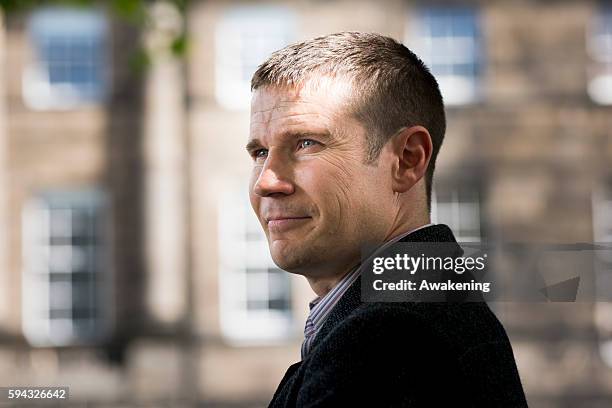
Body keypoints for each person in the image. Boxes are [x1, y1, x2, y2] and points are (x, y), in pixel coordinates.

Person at [246, 32, 528, 407]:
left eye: (306, 143)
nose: (267, 181)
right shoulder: (422, 313)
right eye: (260, 151)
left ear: (407, 160)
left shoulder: (388, 336)